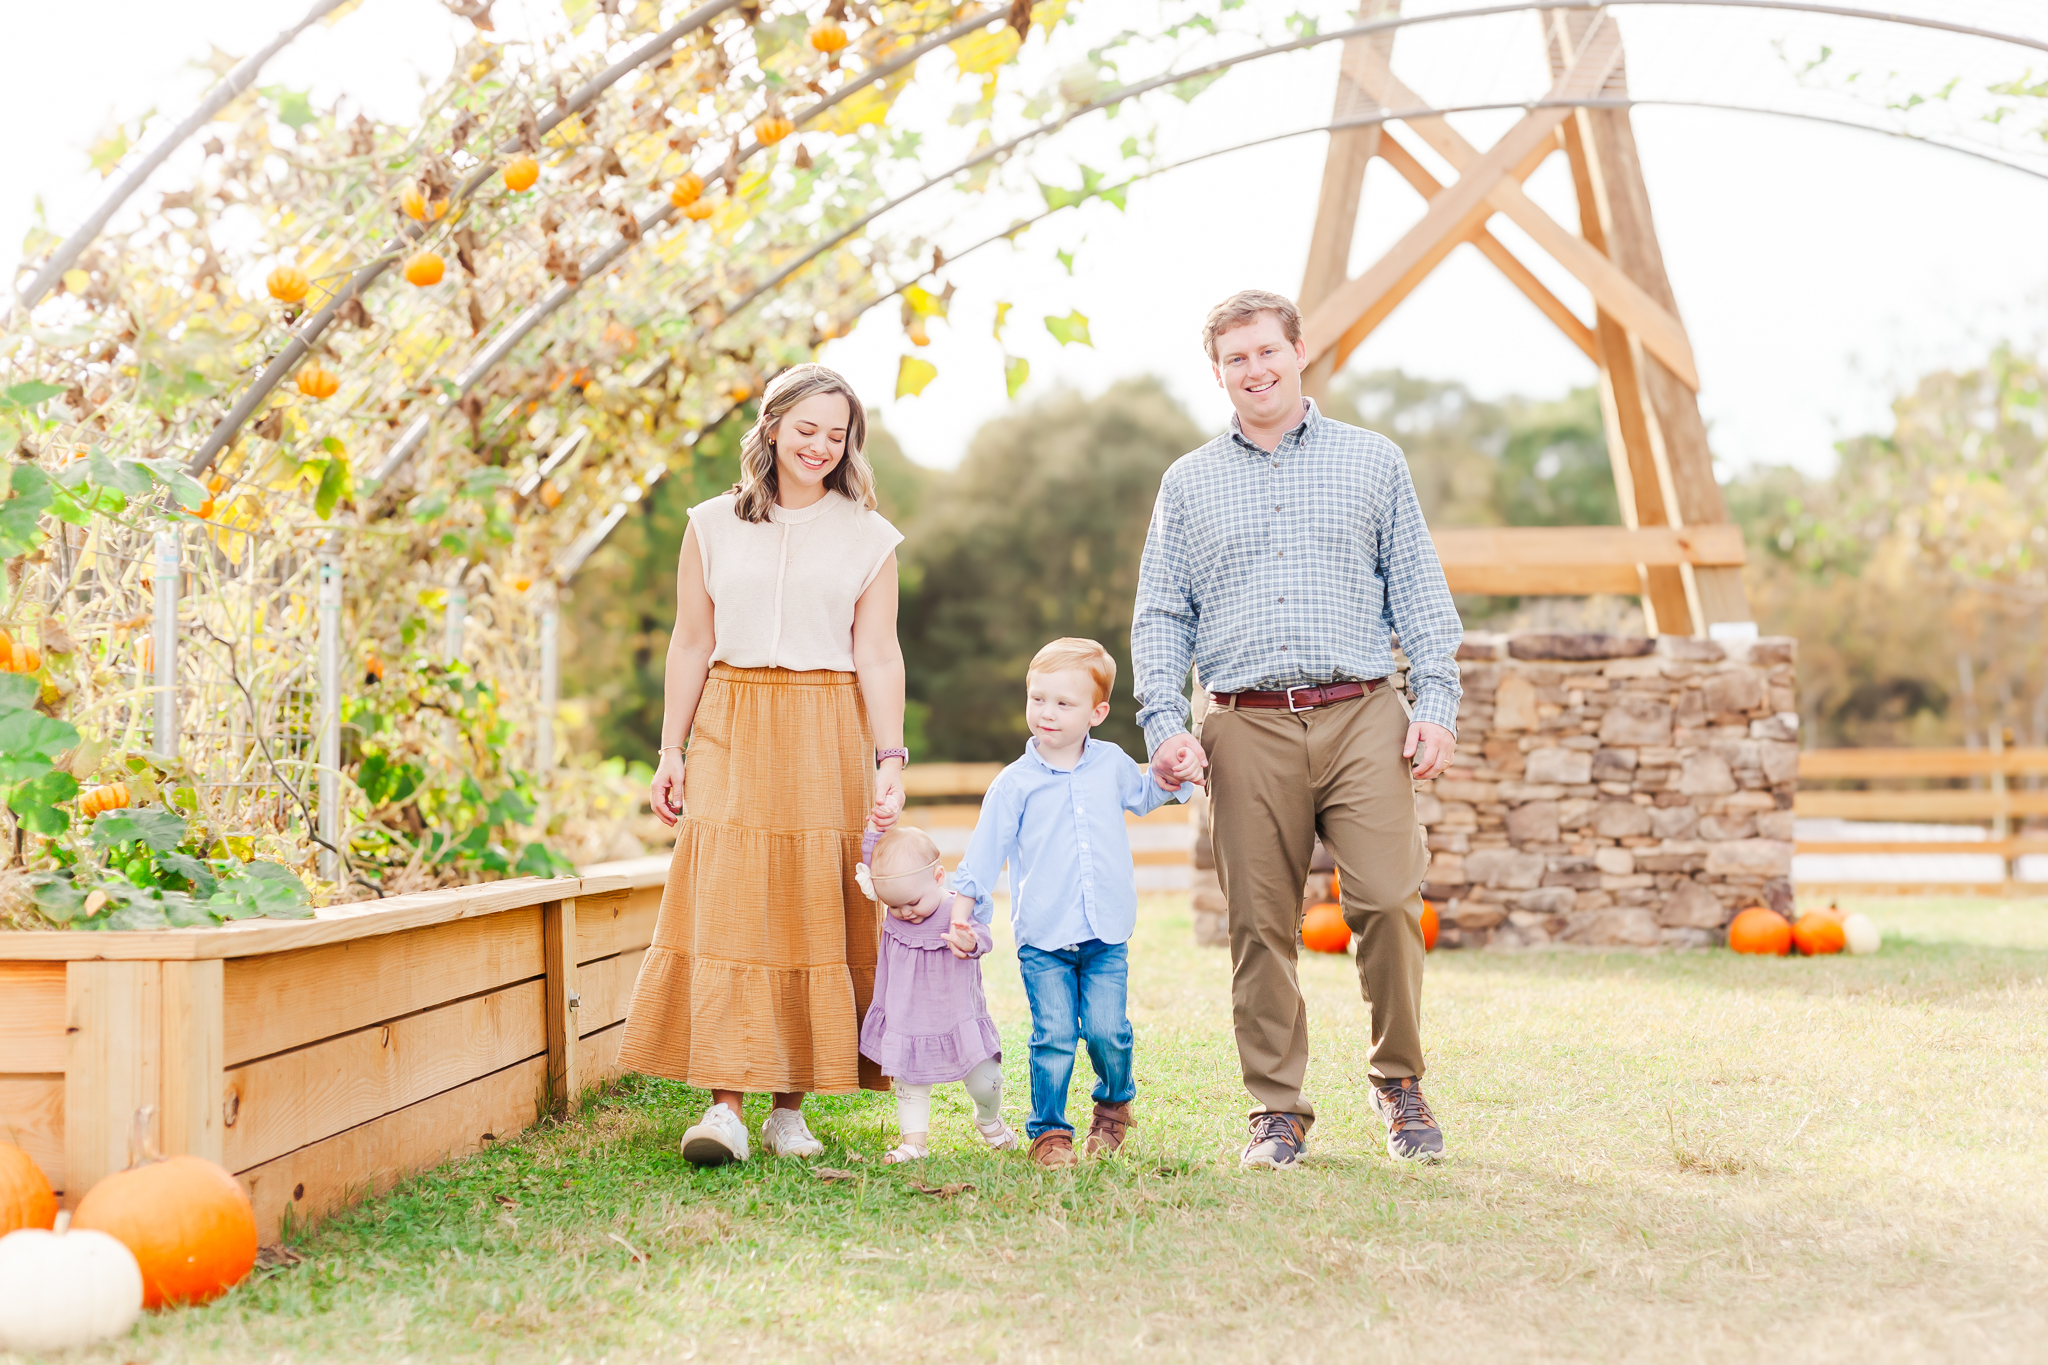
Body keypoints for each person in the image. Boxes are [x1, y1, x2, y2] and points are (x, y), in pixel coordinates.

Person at [1131, 290, 1462, 1169]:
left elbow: (1422, 596)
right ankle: (1277, 1111)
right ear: (1218, 372)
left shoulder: (1373, 461)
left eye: (1267, 351)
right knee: (1260, 926)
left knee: (1390, 900)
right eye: (1235, 358)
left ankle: (1399, 1082)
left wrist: (1435, 702)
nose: (1256, 370)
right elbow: (1162, 614)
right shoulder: (1188, 482)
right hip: (1243, 726)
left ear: (1298, 350)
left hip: (1362, 715)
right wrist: (1166, 720)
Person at [618, 362, 909, 1167]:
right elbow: (690, 642)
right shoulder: (710, 523)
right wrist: (669, 750)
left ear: (850, 444)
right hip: (732, 718)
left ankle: (791, 1107)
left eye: (836, 433)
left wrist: (891, 758)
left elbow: (879, 652)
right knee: (733, 901)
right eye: (805, 427)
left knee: (814, 897)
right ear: (773, 426)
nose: (819, 445)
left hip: (827, 721)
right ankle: (725, 1107)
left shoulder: (868, 535)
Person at [947, 637, 1187, 1169]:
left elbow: (1146, 795)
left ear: (1098, 713)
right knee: (1052, 1036)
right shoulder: (1014, 785)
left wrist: (1172, 776)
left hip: (1105, 934)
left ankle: (1114, 1104)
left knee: (1108, 1031)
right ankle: (1049, 1132)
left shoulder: (1112, 765)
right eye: (1038, 698)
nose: (1047, 713)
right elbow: (983, 855)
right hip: (1044, 938)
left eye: (1064, 703)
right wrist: (962, 914)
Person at [854, 825, 1017, 1163]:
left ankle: (988, 1119)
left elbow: (982, 937)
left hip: (958, 1015)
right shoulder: (898, 911)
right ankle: (914, 1142)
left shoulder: (957, 910)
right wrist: (876, 828)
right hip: (909, 1017)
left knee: (987, 1079)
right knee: (910, 1083)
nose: (904, 913)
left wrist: (971, 942)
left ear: (939, 876)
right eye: (893, 907)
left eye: (912, 903)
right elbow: (873, 861)